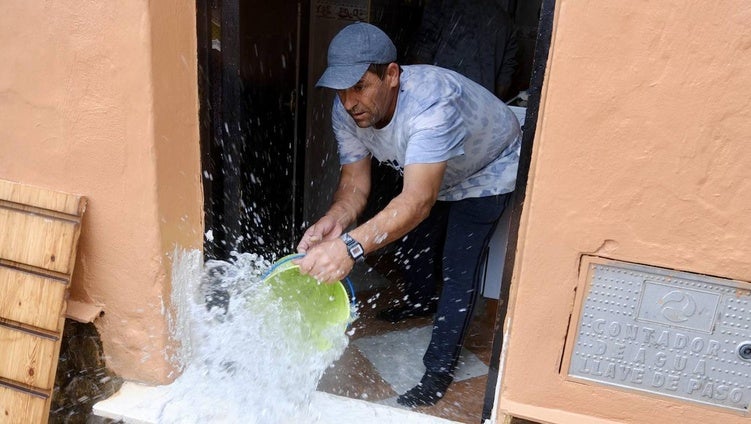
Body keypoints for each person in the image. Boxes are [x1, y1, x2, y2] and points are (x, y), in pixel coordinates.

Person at [294, 22, 520, 407]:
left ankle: (437, 371)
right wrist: (336, 219)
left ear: (392, 75)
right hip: (434, 170)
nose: (349, 102)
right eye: (341, 89)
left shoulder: (433, 106)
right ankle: (418, 300)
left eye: (360, 86)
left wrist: (349, 248)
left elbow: (417, 201)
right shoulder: (345, 109)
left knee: (457, 266)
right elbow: (354, 184)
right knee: (411, 237)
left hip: (489, 166)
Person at [408, 0, 518, 100]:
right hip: (478, 108)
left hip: (437, 100)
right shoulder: (504, 21)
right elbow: (503, 85)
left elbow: (419, 61)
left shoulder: (440, 6)